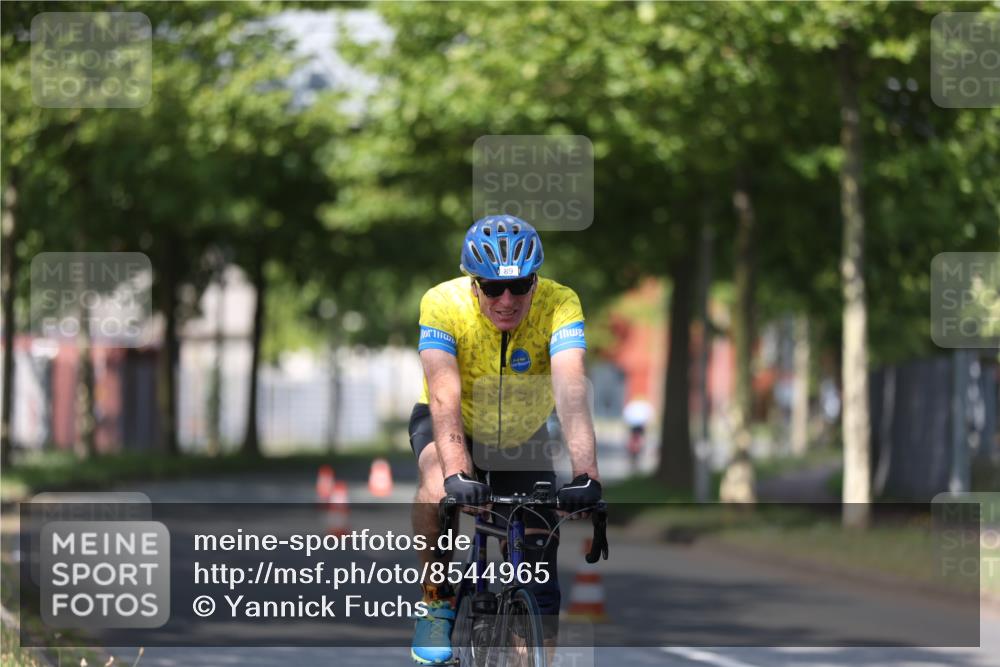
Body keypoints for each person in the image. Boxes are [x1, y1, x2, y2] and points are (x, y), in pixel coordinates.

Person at [408, 215, 602, 665]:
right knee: (438, 478)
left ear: (537, 280)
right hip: (452, 422)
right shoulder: (442, 303)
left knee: (540, 578)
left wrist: (586, 476)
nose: (507, 299)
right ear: (473, 284)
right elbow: (443, 392)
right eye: (493, 287)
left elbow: (571, 390)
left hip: (521, 433)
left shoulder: (560, 303)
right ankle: (436, 601)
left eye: (521, 285)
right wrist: (459, 470)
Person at [623, 395, 653, 472]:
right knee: (639, 438)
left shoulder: (632, 405)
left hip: (634, 424)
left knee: (634, 438)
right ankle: (638, 449)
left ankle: (634, 450)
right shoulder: (644, 405)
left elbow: (626, 414)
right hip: (640, 425)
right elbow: (650, 415)